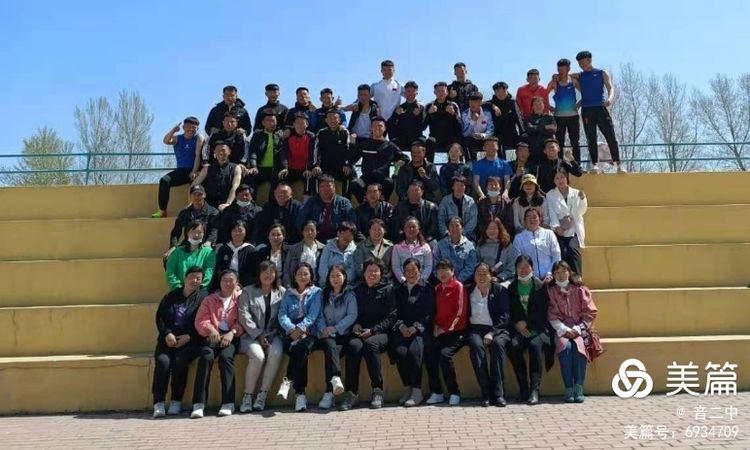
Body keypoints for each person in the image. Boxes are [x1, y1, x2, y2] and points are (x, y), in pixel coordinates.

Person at [340, 258, 395, 410]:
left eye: (376, 271)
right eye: (369, 271)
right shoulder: (356, 290)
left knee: (371, 345)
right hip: (359, 330)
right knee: (353, 346)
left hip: (380, 332)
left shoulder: (388, 289)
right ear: (363, 273)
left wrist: (373, 331)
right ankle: (351, 393)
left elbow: (392, 317)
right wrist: (355, 325)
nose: (372, 274)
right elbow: (351, 313)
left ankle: (377, 390)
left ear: (381, 273)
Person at [152, 267, 207, 418]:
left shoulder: (203, 298)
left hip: (190, 341)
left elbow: (204, 320)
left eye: (198, 278)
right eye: (192, 277)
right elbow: (160, 317)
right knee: (163, 363)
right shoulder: (171, 296)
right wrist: (166, 333)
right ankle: (158, 403)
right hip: (168, 340)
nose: (194, 281)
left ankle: (176, 401)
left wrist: (190, 336)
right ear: (185, 278)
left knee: (180, 362)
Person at [190, 269, 245, 418]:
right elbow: (200, 320)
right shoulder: (209, 300)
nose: (228, 283)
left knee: (226, 358)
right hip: (212, 337)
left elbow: (243, 321)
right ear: (220, 282)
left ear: (237, 282)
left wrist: (232, 332)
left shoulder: (240, 299)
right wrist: (211, 329)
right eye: (225, 280)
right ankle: (199, 403)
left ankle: (228, 403)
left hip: (231, 338)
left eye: (231, 280)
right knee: (206, 357)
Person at [237, 261, 286, 412]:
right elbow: (243, 315)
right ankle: (247, 396)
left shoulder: (282, 292)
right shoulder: (247, 291)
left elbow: (283, 315)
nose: (268, 275)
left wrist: (271, 333)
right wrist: (258, 334)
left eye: (271, 272)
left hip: (272, 334)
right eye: (265, 272)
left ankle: (262, 395)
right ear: (258, 274)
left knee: (276, 353)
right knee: (258, 356)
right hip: (250, 335)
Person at [548, 261, 599, 403]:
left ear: (569, 273)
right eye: (557, 272)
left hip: (580, 328)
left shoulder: (580, 289)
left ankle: (579, 386)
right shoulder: (551, 291)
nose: (560, 275)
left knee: (579, 349)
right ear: (553, 275)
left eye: (563, 271)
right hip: (561, 328)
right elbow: (551, 314)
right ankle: (569, 387)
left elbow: (590, 313)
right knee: (565, 348)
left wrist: (578, 329)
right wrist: (564, 329)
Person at [508, 255, 554, 405]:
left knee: (535, 347)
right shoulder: (512, 287)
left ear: (532, 268)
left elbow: (543, 312)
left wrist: (526, 324)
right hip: (519, 329)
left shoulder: (541, 287)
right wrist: (517, 324)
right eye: (519, 267)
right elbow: (510, 310)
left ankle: (535, 390)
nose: (523, 270)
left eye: (526, 266)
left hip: (538, 329)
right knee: (514, 347)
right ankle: (523, 388)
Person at [276, 263, 323, 412]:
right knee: (299, 353)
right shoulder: (288, 293)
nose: (303, 277)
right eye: (299, 274)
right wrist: (292, 329)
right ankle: (300, 396)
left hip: (310, 331)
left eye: (306, 274)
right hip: (290, 332)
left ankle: (288, 382)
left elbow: (313, 315)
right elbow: (282, 314)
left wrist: (301, 329)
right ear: (294, 276)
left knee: (301, 349)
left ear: (311, 276)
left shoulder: (316, 292)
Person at [465, 263, 512, 407]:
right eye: (478, 273)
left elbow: (505, 316)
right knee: (476, 346)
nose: (481, 276)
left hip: (498, 329)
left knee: (498, 345)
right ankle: (486, 393)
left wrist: (492, 332)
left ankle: (498, 394)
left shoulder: (500, 290)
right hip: (475, 329)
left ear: (491, 276)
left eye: (484, 273)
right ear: (474, 276)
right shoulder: (468, 290)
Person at [391, 257, 434, 407]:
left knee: (415, 351)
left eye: (414, 270)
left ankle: (417, 391)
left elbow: (429, 312)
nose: (411, 273)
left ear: (420, 271)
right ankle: (408, 387)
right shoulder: (398, 289)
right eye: (407, 270)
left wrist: (415, 327)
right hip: (402, 330)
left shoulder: (427, 288)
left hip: (420, 331)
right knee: (400, 352)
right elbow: (393, 312)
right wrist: (401, 326)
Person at [314, 265, 358, 409]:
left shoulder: (350, 294)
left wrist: (335, 328)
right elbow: (319, 315)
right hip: (325, 334)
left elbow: (352, 315)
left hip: (343, 334)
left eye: (338, 275)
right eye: (332, 276)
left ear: (344, 277)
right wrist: (324, 329)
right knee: (330, 345)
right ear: (328, 278)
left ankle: (330, 392)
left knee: (332, 351)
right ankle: (334, 381)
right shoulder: (322, 294)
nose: (335, 279)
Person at [574, 50, 626, 173]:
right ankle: (595, 165)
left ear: (590, 60)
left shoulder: (601, 73)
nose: (581, 65)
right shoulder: (579, 76)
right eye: (579, 64)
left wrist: (610, 99)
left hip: (600, 108)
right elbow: (564, 75)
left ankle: (619, 164)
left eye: (583, 62)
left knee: (610, 136)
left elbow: (610, 87)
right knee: (591, 138)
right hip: (587, 110)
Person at [425, 260, 468, 406]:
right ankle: (436, 392)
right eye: (439, 271)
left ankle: (454, 392)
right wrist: (435, 326)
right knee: (429, 352)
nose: (442, 273)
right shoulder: (436, 288)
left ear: (453, 271)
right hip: (439, 331)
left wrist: (445, 328)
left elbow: (459, 312)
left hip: (456, 331)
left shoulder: (458, 286)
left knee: (444, 355)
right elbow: (432, 311)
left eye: (446, 270)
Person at [347, 116, 408, 203]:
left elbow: (405, 157)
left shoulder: (390, 146)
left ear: (385, 128)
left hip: (382, 180)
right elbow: (352, 159)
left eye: (380, 126)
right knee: (354, 184)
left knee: (389, 182)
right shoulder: (364, 144)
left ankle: (382, 203)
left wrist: (402, 161)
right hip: (366, 179)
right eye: (375, 126)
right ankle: (364, 202)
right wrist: (352, 145)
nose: (377, 128)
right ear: (371, 128)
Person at [153, 117, 204, 218]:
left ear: (197, 129)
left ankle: (194, 212)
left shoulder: (199, 138)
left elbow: (197, 155)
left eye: (194, 128)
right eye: (188, 127)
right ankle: (162, 210)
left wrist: (194, 171)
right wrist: (173, 130)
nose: (191, 129)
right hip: (180, 170)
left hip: (194, 169)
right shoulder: (178, 138)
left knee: (195, 185)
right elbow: (166, 141)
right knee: (164, 180)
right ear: (183, 127)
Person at [546, 168, 588, 275]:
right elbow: (551, 213)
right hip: (559, 230)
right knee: (562, 251)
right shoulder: (550, 195)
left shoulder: (576, 193)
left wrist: (582, 199)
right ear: (553, 180)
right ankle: (564, 278)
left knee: (572, 249)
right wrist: (558, 227)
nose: (560, 180)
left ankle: (577, 278)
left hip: (574, 229)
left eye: (562, 177)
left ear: (567, 178)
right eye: (557, 178)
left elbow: (581, 211)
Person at [296, 174, 356, 243]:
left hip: (338, 241)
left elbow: (351, 223)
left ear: (334, 187)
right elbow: (300, 222)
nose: (325, 189)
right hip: (315, 240)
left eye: (328, 186)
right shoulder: (311, 202)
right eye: (322, 186)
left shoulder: (344, 202)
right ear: (318, 189)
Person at [166, 185, 219, 255]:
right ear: (190, 196)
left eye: (200, 194)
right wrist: (173, 246)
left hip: (205, 244)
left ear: (204, 195)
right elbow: (176, 231)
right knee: (169, 256)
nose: (197, 197)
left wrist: (209, 241)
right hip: (188, 244)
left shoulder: (213, 212)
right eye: (194, 194)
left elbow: (215, 229)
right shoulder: (184, 213)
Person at [547, 59, 582, 162]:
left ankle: (577, 164)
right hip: (559, 117)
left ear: (568, 69)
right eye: (559, 69)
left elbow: (585, 93)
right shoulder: (554, 82)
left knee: (575, 142)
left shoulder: (573, 81)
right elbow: (544, 95)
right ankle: (559, 164)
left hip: (573, 116)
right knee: (559, 142)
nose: (561, 71)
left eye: (563, 69)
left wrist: (578, 104)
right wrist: (549, 107)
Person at [247, 109, 286, 199]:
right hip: (259, 168)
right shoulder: (257, 135)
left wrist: (284, 167)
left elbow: (283, 153)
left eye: (273, 120)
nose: (271, 123)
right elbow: (252, 152)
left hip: (274, 169)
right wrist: (254, 166)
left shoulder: (280, 135)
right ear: (263, 123)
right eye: (268, 121)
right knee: (251, 186)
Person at [192, 141, 242, 211]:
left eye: (223, 150)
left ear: (229, 152)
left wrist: (228, 203)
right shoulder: (207, 168)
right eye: (218, 150)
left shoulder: (236, 168)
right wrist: (191, 203)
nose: (221, 153)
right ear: (214, 152)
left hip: (227, 205)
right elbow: (193, 186)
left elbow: (235, 187)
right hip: (208, 206)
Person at [166, 221, 216, 291]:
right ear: (187, 233)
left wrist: (199, 288)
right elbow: (170, 272)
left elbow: (209, 272)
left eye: (199, 232)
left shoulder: (208, 252)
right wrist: (179, 288)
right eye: (193, 231)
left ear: (204, 234)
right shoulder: (177, 252)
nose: (196, 235)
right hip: (179, 291)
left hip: (200, 292)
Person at [512, 209, 560, 281]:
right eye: (528, 217)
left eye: (534, 217)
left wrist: (550, 274)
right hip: (529, 278)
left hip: (550, 277)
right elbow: (517, 260)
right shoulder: (519, 238)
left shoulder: (549, 233)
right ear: (524, 221)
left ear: (540, 219)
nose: (532, 220)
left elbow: (556, 255)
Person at [312, 110, 352, 190]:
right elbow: (316, 150)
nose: (332, 120)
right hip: (324, 166)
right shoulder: (321, 132)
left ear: (339, 120)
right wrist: (316, 165)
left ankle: (344, 196)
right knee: (316, 173)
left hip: (340, 166)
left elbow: (348, 149)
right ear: (326, 120)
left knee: (348, 174)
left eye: (335, 118)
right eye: (330, 118)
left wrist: (347, 164)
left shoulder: (344, 132)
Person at [424, 82, 463, 162]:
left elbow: (460, 126)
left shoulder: (453, 105)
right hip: (435, 138)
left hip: (450, 138)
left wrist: (453, 114)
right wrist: (429, 114)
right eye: (438, 91)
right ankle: (430, 166)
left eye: (443, 91)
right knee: (430, 141)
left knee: (457, 143)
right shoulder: (429, 106)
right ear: (434, 92)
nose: (440, 93)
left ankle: (456, 166)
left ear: (447, 92)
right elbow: (423, 126)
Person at [280, 113, 316, 197]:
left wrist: (309, 168)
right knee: (282, 180)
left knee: (312, 179)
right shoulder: (288, 136)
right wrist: (284, 168)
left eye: (302, 123)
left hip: (305, 168)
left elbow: (313, 154)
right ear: (293, 124)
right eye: (297, 122)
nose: (300, 125)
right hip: (291, 168)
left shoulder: (311, 136)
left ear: (307, 124)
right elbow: (284, 154)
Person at [433, 217, 478, 284]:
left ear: (462, 228)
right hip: (443, 283)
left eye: (457, 226)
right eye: (452, 226)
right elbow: (435, 265)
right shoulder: (440, 245)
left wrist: (456, 281)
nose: (454, 229)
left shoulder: (470, 246)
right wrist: (444, 279)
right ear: (448, 229)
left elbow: (470, 267)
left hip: (463, 283)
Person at [212, 220, 255, 290]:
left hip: (244, 288)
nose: (237, 233)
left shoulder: (251, 250)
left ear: (246, 232)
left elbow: (252, 273)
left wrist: (240, 286)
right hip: (224, 286)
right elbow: (219, 270)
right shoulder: (223, 249)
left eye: (240, 230)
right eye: (234, 230)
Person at [484, 82, 524, 158]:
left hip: (511, 134)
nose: (500, 94)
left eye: (503, 91)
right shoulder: (492, 102)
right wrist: (493, 106)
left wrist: (522, 132)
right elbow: (481, 104)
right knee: (497, 144)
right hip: (497, 134)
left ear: (506, 91)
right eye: (498, 91)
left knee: (520, 144)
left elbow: (518, 118)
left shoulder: (512, 102)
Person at [391, 217, 433, 284]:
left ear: (418, 229)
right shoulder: (397, 248)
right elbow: (396, 267)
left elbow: (428, 266)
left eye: (414, 227)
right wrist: (403, 281)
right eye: (408, 227)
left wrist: (421, 280)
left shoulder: (425, 247)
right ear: (404, 229)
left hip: (421, 283)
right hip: (403, 284)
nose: (411, 229)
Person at [284, 220, 325, 287]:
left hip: (316, 285)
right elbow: (286, 270)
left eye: (312, 230)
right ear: (302, 232)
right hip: (297, 285)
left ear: (317, 232)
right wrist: (289, 287)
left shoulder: (323, 249)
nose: (309, 232)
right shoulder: (293, 249)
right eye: (306, 230)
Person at [477, 217, 518, 283]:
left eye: (494, 228)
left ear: (500, 229)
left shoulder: (507, 246)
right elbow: (477, 265)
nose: (492, 231)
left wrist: (499, 278)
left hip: (504, 280)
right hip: (485, 279)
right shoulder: (480, 246)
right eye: (489, 228)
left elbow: (512, 268)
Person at [388, 80, 426, 150]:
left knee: (425, 142)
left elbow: (423, 127)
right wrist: (396, 114)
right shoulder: (400, 108)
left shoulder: (421, 108)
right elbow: (391, 124)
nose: (410, 93)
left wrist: (419, 116)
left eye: (413, 91)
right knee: (391, 144)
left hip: (416, 138)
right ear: (405, 92)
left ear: (417, 92)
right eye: (408, 91)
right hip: (402, 138)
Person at [461, 93, 495, 161]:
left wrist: (483, 135)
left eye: (475, 102)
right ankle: (470, 162)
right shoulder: (465, 114)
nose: (472, 104)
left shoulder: (487, 113)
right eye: (471, 102)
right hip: (472, 139)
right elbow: (465, 133)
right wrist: (472, 122)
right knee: (465, 140)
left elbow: (491, 129)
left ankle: (492, 161)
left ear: (480, 103)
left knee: (494, 141)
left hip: (484, 139)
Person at [523, 97, 557, 164]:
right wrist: (545, 127)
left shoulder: (550, 118)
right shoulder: (528, 119)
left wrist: (536, 129)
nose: (538, 106)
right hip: (533, 152)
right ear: (532, 107)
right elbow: (530, 130)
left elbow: (553, 130)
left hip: (548, 152)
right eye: (536, 104)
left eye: (540, 104)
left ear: (543, 105)